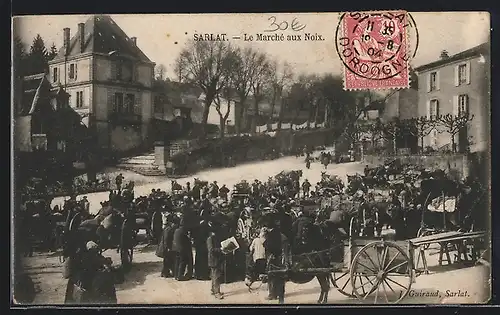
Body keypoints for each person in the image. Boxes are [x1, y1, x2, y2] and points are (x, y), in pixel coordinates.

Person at [207, 222, 224, 299]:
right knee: (216, 276)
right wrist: (220, 249)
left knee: (214, 275)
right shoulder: (210, 239)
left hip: (215, 259)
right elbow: (211, 250)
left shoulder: (213, 238)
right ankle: (217, 292)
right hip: (214, 260)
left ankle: (213, 290)